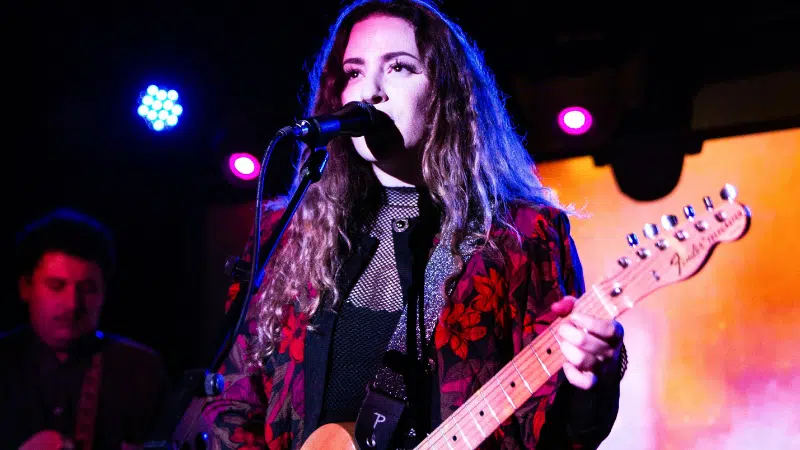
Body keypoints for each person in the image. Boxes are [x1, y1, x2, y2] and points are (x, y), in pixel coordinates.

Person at [202, 1, 626, 448]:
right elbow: (235, 403)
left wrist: (593, 377)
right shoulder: (287, 236)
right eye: (354, 72)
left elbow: (556, 434)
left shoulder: (519, 234)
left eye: (400, 67)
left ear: (447, 93)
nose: (371, 92)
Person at [0, 208, 170, 450]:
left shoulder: (141, 369)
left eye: (88, 288)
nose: (72, 304)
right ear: (26, 288)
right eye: (56, 286)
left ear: (104, 292)